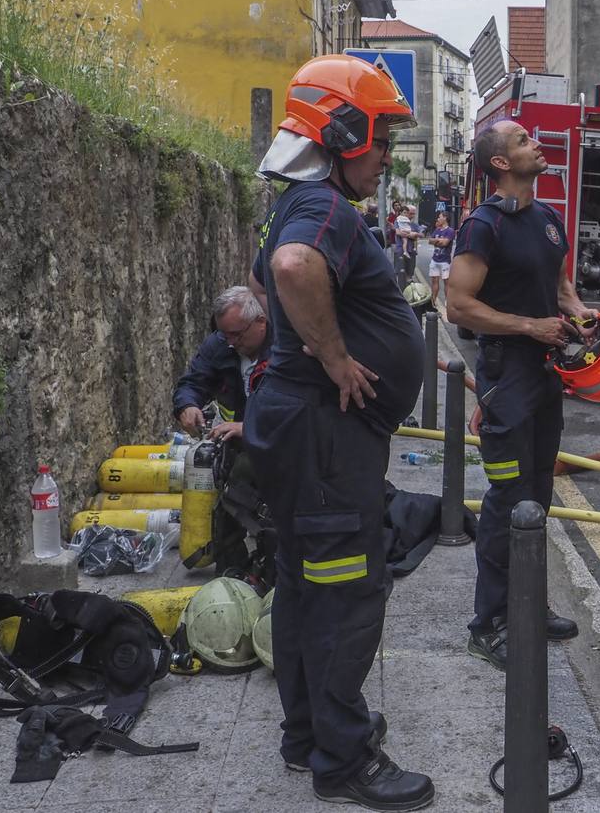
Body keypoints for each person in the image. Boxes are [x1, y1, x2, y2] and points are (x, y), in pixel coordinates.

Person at [244, 54, 434, 810]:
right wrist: (335, 355)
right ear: (343, 129)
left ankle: (307, 735)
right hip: (326, 434)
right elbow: (289, 269)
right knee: (347, 590)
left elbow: (264, 274)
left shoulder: (295, 198)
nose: (386, 156)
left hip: (298, 426)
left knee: (299, 580)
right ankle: (344, 758)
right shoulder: (324, 207)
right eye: (382, 139)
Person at [446, 120, 598, 670]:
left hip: (544, 376)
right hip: (505, 373)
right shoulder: (482, 226)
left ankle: (527, 608)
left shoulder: (548, 219)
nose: (538, 142)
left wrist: (579, 313)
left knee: (538, 496)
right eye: (524, 141)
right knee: (507, 499)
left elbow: (560, 288)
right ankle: (488, 624)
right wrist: (531, 327)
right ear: (502, 165)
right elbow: (458, 306)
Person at [172, 286, 271, 441]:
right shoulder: (218, 344)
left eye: (236, 334)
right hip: (234, 446)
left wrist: (247, 429)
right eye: (225, 334)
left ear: (261, 322)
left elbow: (294, 415)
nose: (230, 342)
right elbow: (193, 382)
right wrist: (187, 405)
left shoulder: (285, 354)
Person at [426, 211, 454, 305]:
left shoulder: (450, 231)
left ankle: (447, 301)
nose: (438, 219)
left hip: (445, 261)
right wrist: (438, 240)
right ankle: (433, 301)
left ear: (445, 218)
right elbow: (429, 241)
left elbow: (445, 243)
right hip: (435, 259)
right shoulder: (437, 230)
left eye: (439, 217)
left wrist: (436, 241)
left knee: (446, 281)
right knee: (434, 280)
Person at [393, 202, 421, 288]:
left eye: (413, 214)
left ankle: (410, 295)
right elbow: (398, 232)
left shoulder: (415, 225)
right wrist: (411, 235)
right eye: (410, 213)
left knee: (410, 274)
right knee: (401, 274)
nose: (412, 215)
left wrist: (415, 235)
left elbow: (419, 235)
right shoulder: (399, 221)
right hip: (400, 251)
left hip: (411, 252)